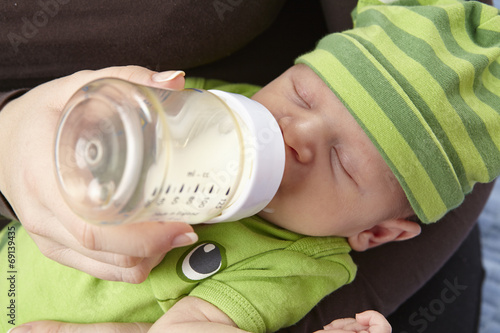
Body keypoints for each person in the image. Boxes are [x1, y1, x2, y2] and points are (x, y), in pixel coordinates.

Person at [2, 1, 500, 332]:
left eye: (341, 162)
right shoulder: (219, 107)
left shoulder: (298, 263)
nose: (296, 134)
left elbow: (194, 324)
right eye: (302, 94)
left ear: (376, 233)